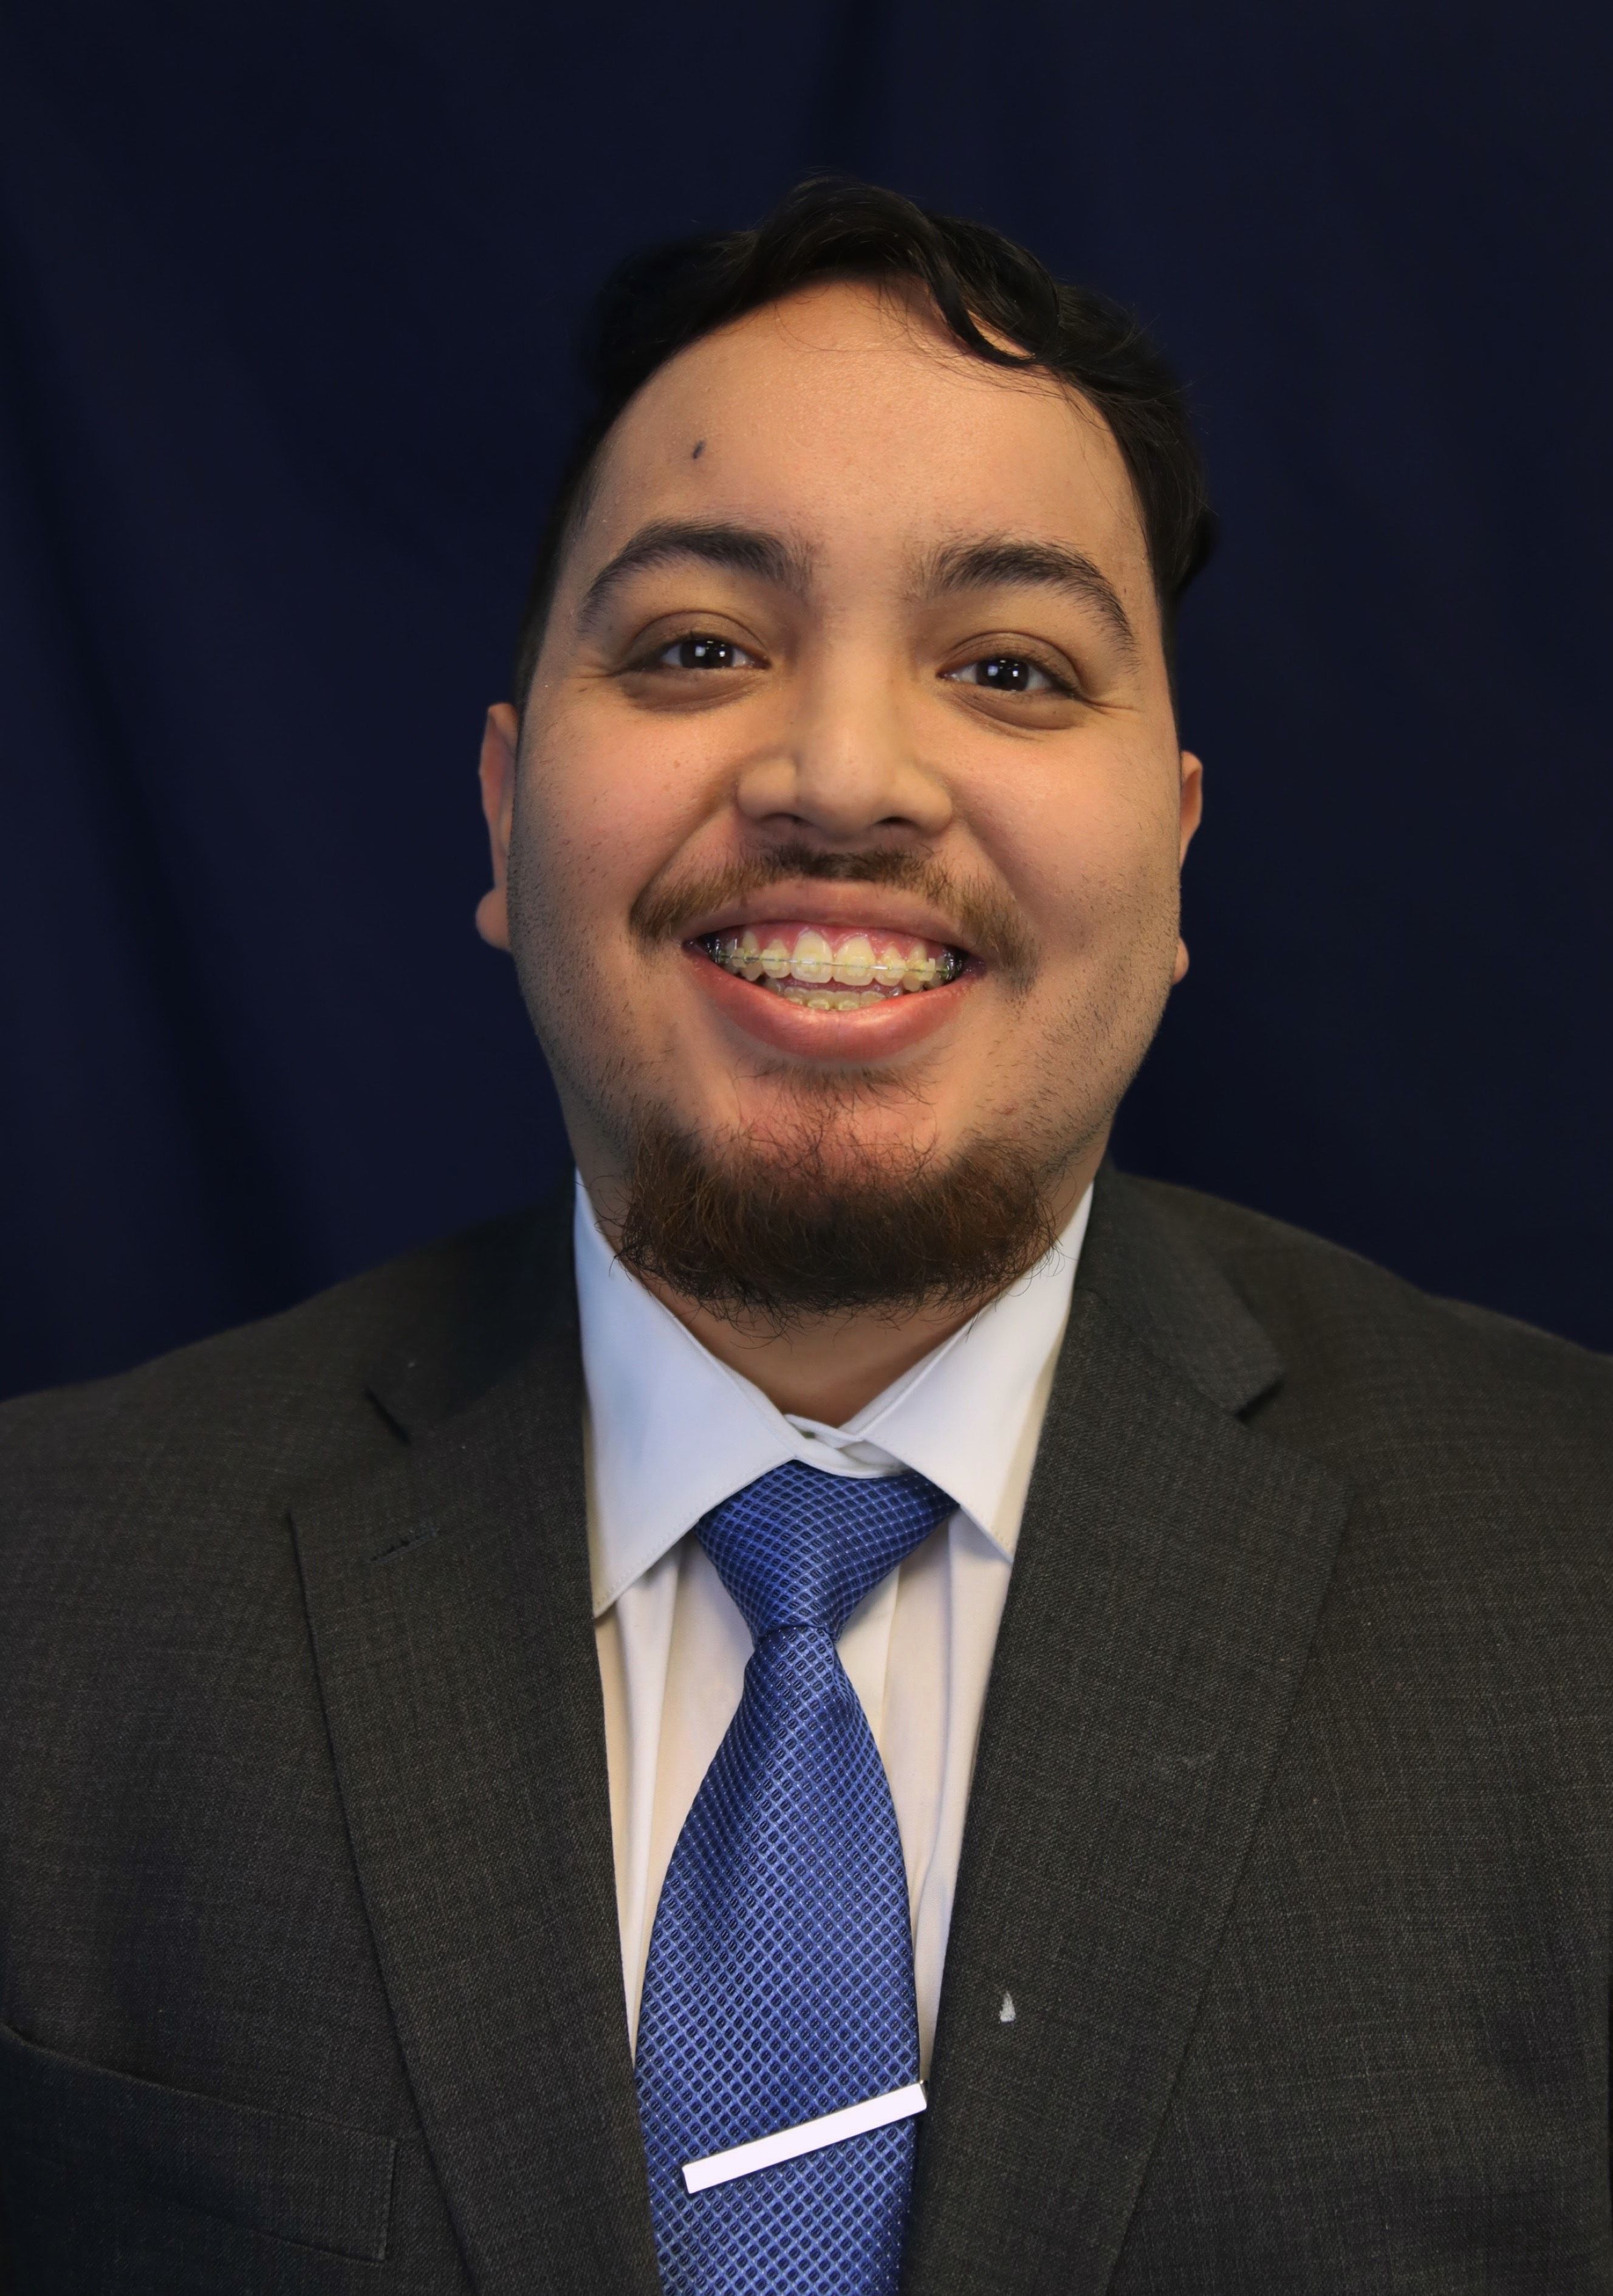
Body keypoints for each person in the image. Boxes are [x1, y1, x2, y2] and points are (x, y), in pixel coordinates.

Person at [1, 176, 1609, 2296]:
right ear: (500, 815)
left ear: (1180, 856)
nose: (844, 773)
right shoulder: (51, 1589)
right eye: (695, 644)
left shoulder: (1575, 1560)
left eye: (1014, 667)